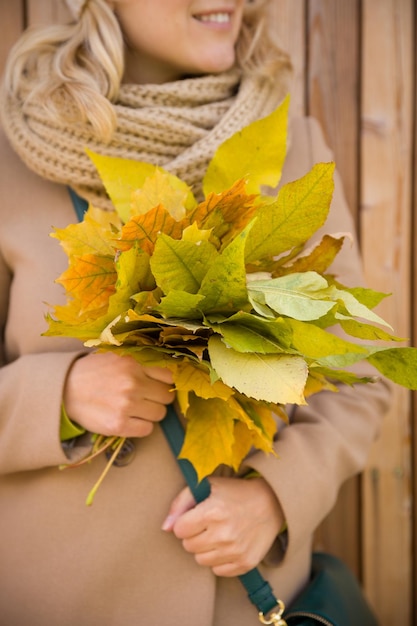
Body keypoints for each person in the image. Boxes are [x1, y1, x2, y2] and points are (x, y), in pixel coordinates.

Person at [0, 1, 390, 624]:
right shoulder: (14, 156)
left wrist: (275, 499)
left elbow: (360, 372)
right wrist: (60, 395)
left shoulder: (287, 146)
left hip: (243, 599)